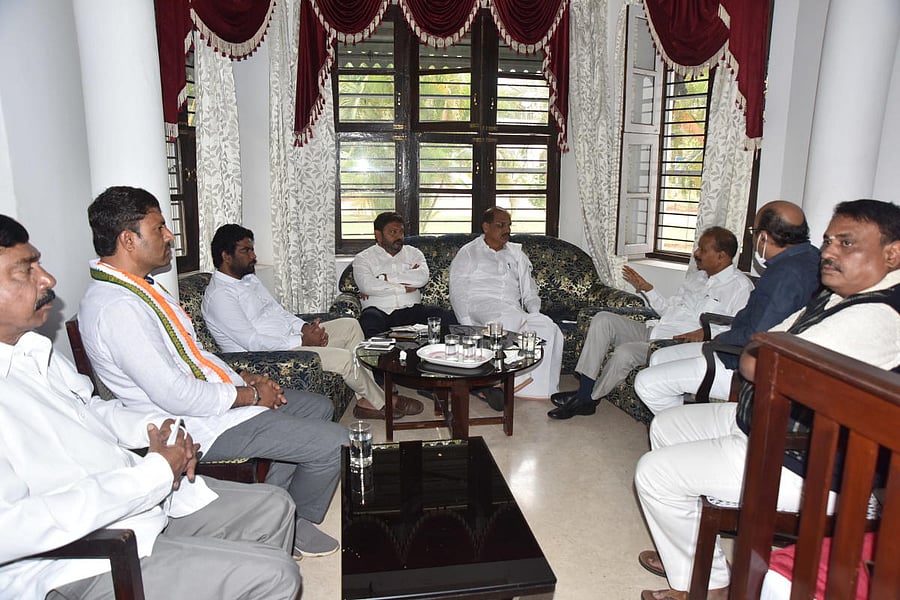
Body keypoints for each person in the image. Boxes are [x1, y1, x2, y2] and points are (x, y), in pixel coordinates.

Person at [0, 214, 302, 600]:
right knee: (276, 576)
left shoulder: (31, 350)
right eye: (25, 271)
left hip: (131, 501)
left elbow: (91, 410)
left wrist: (163, 427)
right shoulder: (113, 307)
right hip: (85, 557)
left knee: (274, 505)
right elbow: (14, 528)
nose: (48, 279)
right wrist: (153, 473)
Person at [635, 199, 900, 600]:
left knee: (654, 473)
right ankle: (693, 547)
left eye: (846, 243)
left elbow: (762, 364)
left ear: (892, 252)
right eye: (828, 240)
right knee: (666, 425)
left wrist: (761, 352)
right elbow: (768, 341)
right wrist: (762, 351)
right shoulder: (832, 296)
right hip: (762, 420)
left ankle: (709, 586)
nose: (828, 252)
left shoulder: (876, 316)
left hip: (800, 460)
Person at [78, 186, 346, 558]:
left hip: (213, 400)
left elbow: (193, 354)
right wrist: (250, 397)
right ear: (128, 239)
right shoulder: (117, 309)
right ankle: (293, 522)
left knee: (316, 406)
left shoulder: (141, 290)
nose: (170, 236)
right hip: (190, 421)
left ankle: (281, 515)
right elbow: (174, 394)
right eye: (158, 228)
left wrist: (245, 377)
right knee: (335, 441)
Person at [201, 223, 422, 421]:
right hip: (271, 355)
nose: (253, 256)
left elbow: (279, 312)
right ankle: (383, 403)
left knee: (351, 324)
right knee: (345, 359)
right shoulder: (220, 296)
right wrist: (302, 340)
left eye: (252, 249)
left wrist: (305, 328)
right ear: (226, 256)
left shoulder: (248, 279)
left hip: (291, 340)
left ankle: (366, 399)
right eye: (245, 251)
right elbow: (252, 342)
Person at [634, 201, 821, 414]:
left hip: (737, 360)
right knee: (659, 357)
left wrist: (719, 338)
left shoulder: (784, 276)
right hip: (733, 344)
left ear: (763, 236)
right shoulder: (809, 258)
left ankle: (679, 427)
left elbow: (758, 334)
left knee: (646, 382)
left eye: (754, 230)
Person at [548, 227, 753, 420]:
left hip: (677, 343)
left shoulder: (739, 287)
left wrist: (705, 332)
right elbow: (668, 310)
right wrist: (647, 288)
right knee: (602, 319)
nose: (696, 253)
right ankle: (584, 391)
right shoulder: (696, 278)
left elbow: (738, 328)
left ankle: (585, 400)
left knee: (625, 352)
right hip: (655, 329)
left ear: (722, 256)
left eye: (703, 249)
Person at [449, 206, 564, 400]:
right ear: (486, 227)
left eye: (509, 225)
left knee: (548, 327)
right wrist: (467, 324)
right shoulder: (469, 252)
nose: (507, 230)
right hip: (480, 305)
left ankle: (535, 390)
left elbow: (529, 289)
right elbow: (457, 290)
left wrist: (534, 312)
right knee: (507, 319)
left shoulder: (516, 253)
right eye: (501, 225)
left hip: (512, 308)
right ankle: (502, 382)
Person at [352, 211, 456, 339]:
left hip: (412, 309)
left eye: (401, 232)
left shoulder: (414, 253)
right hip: (380, 310)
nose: (399, 237)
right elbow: (367, 286)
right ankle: (380, 359)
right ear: (378, 235)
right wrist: (404, 287)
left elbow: (422, 277)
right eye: (393, 232)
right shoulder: (363, 258)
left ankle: (435, 356)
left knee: (447, 319)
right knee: (369, 323)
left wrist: (384, 278)